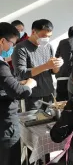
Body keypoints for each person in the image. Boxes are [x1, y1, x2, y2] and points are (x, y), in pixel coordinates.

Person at [0, 22, 37, 165]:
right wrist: (28, 85)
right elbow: (18, 92)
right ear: (2, 41)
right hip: (5, 123)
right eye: (12, 44)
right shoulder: (1, 65)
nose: (12, 48)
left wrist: (16, 83)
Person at [12, 19, 63, 111]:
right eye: (43, 36)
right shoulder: (21, 48)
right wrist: (46, 66)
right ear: (33, 32)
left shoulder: (48, 47)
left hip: (49, 93)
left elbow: (53, 72)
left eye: (49, 36)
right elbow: (21, 73)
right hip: (32, 96)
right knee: (33, 123)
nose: (46, 39)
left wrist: (56, 65)